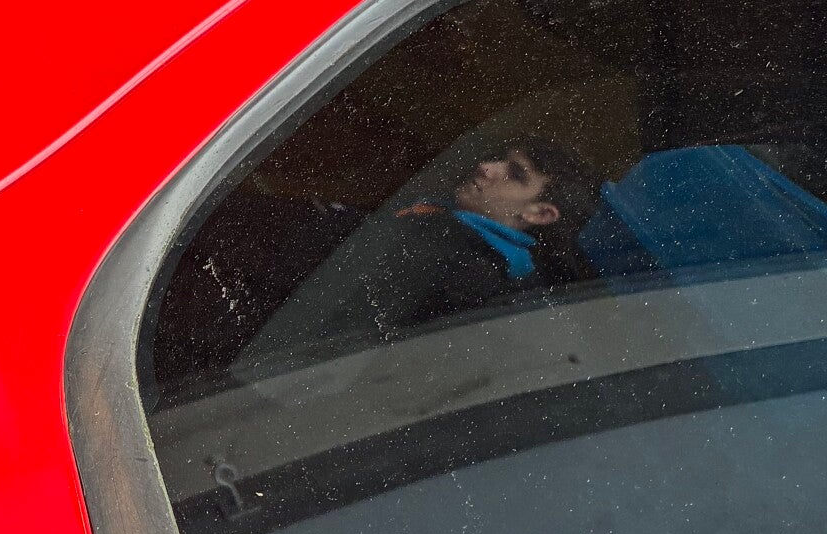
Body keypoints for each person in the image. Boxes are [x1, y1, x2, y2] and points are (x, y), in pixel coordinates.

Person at [235, 136, 603, 368]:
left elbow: (328, 338)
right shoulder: (448, 226)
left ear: (540, 214)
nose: (487, 167)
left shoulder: (464, 270)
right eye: (500, 159)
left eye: (515, 174)